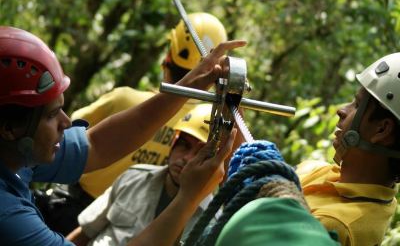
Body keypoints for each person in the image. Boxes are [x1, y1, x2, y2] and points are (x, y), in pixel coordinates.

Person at [0, 26, 243, 245]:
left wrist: (189, 86)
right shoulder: (8, 216)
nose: (66, 122)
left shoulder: (15, 153)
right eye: (52, 115)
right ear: (9, 128)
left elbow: (96, 145)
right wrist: (189, 198)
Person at [67, 104, 217, 245]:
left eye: (200, 155)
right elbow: (85, 232)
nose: (187, 158)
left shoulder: (212, 223)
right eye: (185, 145)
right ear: (174, 142)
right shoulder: (134, 177)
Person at [295, 53, 400, 245]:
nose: (341, 110)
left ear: (382, 129)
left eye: (357, 105)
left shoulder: (335, 226)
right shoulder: (322, 172)